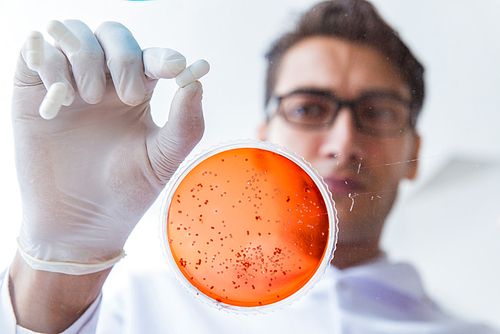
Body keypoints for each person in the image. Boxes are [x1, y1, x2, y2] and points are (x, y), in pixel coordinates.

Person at [0, 0, 497, 333]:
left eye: (379, 113)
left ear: (416, 151)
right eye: (308, 108)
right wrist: (60, 263)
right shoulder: (131, 311)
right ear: (266, 140)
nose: (344, 144)